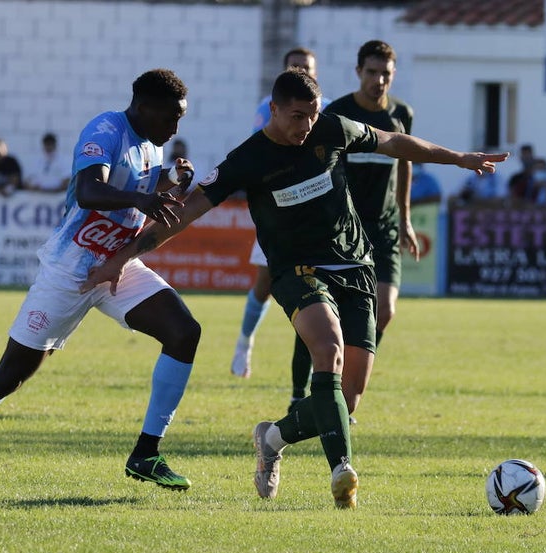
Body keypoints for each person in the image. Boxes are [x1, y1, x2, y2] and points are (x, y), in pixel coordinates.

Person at [79, 70, 507, 509]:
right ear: (275, 109)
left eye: (312, 115)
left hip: (355, 264)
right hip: (297, 270)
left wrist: (459, 158)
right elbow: (184, 214)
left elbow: (393, 142)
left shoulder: (332, 129)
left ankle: (272, 437)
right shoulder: (248, 158)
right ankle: (342, 472)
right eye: (297, 116)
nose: (306, 125)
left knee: (347, 399)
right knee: (329, 349)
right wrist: (120, 258)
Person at [0, 69, 199, 493]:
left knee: (184, 332)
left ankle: (146, 453)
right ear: (144, 107)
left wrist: (170, 181)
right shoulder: (105, 130)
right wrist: (142, 198)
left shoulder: (151, 143)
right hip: (71, 269)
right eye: (170, 118)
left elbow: (137, 186)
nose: (175, 129)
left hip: (116, 266)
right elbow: (89, 190)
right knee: (9, 376)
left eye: (179, 119)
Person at [232, 47, 326, 383]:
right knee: (265, 284)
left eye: (307, 67)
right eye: (295, 67)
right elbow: (261, 152)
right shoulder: (267, 106)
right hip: (278, 213)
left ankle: (319, 374)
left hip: (316, 218)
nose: (302, 71)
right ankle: (245, 342)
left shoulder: (326, 109)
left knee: (321, 292)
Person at [325, 39, 416, 349]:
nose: (379, 80)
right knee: (336, 311)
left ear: (394, 74)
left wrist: (405, 218)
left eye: (386, 73)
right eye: (372, 72)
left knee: (385, 310)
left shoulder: (402, 114)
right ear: (358, 71)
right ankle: (329, 366)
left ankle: (357, 363)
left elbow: (406, 163)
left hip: (385, 226)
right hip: (346, 228)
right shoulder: (338, 113)